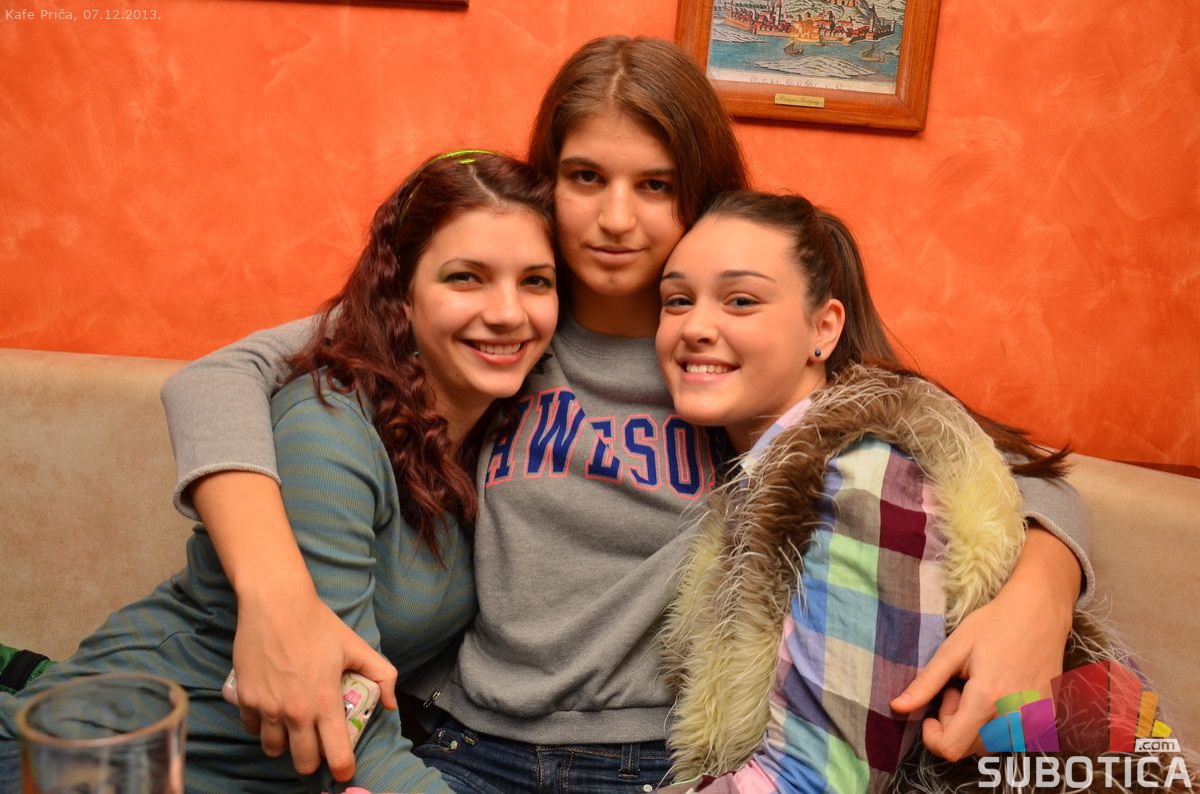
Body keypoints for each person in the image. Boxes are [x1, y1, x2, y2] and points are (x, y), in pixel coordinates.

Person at [156, 37, 1094, 792]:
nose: (615, 219)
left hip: (653, 762)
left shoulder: (725, 355)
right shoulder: (503, 322)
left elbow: (968, 460)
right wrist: (276, 594)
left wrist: (1043, 594)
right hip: (465, 740)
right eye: (584, 178)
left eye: (654, 185)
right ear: (545, 184)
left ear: (700, 192)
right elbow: (225, 376)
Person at [0, 150, 559, 793]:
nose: (507, 312)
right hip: (98, 759)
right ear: (402, 296)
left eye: (535, 282)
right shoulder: (327, 430)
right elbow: (353, 737)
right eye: (465, 278)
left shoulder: (511, 440)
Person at [655, 192, 1194, 792]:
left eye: (741, 300)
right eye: (677, 300)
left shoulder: (861, 477)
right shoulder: (773, 467)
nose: (695, 327)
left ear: (823, 328)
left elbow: (819, 782)